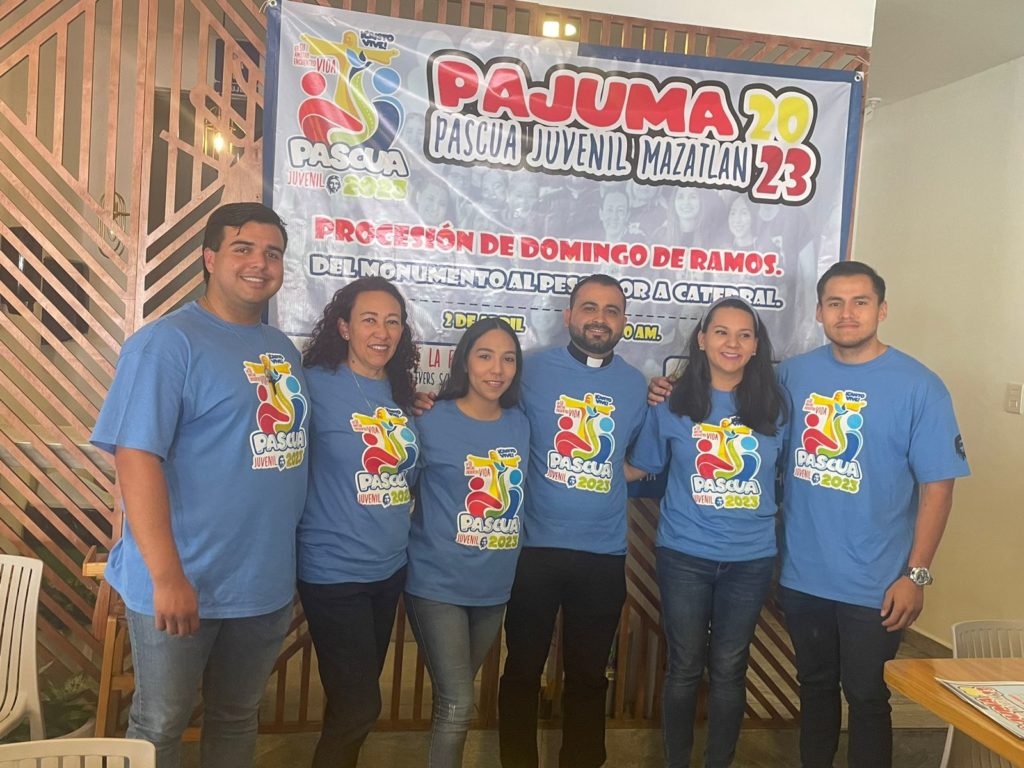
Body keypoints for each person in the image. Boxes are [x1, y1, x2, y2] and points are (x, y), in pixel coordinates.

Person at [90, 202, 308, 768]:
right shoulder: (167, 343)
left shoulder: (281, 350)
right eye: (243, 248)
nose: (260, 263)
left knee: (236, 717)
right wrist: (167, 577)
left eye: (272, 253)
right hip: (182, 581)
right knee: (160, 723)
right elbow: (135, 458)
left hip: (261, 583)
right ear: (210, 258)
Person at [775, 261, 969, 768]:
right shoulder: (792, 375)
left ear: (881, 310)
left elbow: (938, 489)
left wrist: (916, 575)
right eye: (835, 303)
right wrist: (668, 389)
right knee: (814, 687)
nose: (847, 313)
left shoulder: (920, 386)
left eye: (860, 302)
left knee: (866, 696)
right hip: (802, 575)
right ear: (819, 312)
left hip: (877, 583)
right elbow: (729, 406)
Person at [627, 297, 786, 768]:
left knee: (730, 669)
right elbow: (641, 466)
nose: (732, 343)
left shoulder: (778, 405)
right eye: (721, 332)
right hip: (684, 556)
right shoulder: (672, 402)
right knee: (683, 668)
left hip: (751, 559)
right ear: (701, 340)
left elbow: (800, 472)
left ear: (756, 346)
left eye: (744, 334)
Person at [498, 274, 648, 768]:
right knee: (522, 670)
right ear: (568, 316)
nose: (599, 319)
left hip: (602, 555)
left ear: (623, 322)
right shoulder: (530, 371)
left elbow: (640, 459)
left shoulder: (636, 385)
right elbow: (487, 417)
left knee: (588, 676)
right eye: (589, 308)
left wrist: (608, 475)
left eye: (611, 310)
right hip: (534, 550)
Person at [297, 276, 419, 768]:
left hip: (388, 569)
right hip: (332, 571)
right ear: (344, 327)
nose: (382, 332)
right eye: (369, 320)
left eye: (393, 321)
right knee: (360, 707)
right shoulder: (312, 383)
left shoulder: (400, 392)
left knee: (349, 703)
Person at [404, 318, 531, 768]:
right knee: (458, 704)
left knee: (453, 701)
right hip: (437, 585)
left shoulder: (520, 424)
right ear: (463, 361)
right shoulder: (430, 419)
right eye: (485, 356)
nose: (497, 369)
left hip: (493, 590)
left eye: (508, 358)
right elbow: (400, 490)